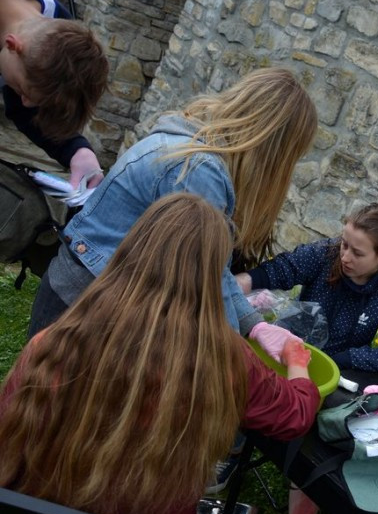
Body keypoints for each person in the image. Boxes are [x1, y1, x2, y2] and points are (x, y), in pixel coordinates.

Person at [0, 194, 321, 514]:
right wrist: (297, 361)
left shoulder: (54, 341)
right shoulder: (223, 357)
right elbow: (295, 413)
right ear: (211, 272)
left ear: (132, 247)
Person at [27, 66, 318, 338]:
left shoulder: (191, 146)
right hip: (80, 308)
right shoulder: (199, 171)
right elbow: (206, 282)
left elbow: (215, 271)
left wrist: (254, 328)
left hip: (85, 297)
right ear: (276, 150)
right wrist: (238, 356)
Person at [236, 202, 378, 514]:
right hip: (284, 355)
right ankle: (228, 457)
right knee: (234, 387)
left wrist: (343, 356)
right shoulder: (325, 255)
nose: (345, 256)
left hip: (329, 378)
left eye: (357, 251)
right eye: (344, 244)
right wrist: (243, 284)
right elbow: (281, 269)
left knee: (312, 453)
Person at [0, 0, 108, 188]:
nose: (25, 102)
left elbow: (26, 112)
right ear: (13, 45)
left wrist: (76, 151)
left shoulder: (58, 33)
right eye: (23, 91)